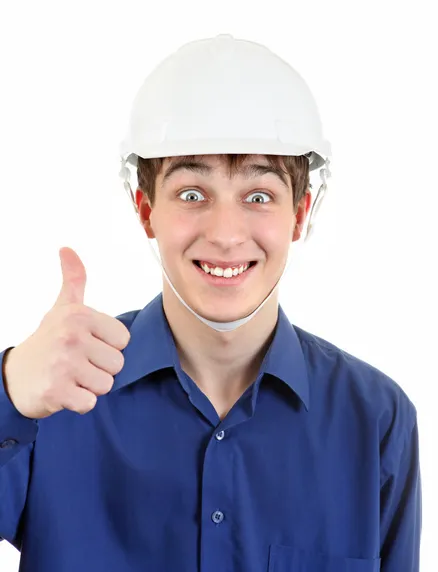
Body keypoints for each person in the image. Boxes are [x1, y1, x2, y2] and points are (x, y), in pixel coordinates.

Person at [0, 34, 421, 571]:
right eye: (193, 194)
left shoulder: (377, 420)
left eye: (259, 195)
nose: (225, 233)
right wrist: (7, 390)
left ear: (300, 213)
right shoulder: (54, 399)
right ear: (145, 208)